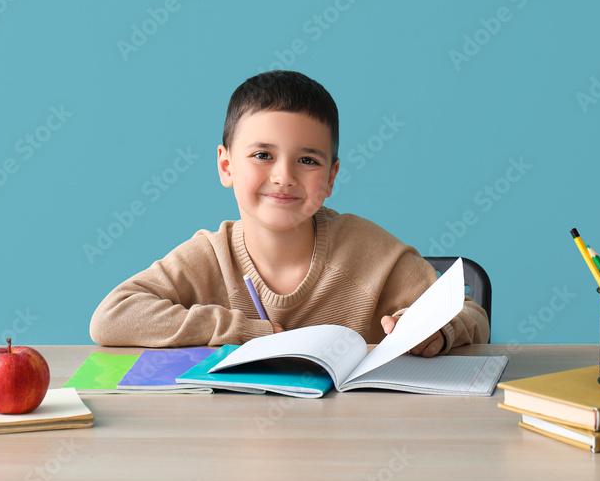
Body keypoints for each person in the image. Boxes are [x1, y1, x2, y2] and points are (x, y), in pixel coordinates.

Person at [90, 71, 489, 355]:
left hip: (351, 447)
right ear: (226, 166)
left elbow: (472, 314)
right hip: (237, 446)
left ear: (331, 177)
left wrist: (437, 331)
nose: (283, 177)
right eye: (262, 155)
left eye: (308, 160)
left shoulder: (371, 253)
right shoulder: (210, 257)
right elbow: (112, 317)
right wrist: (241, 331)